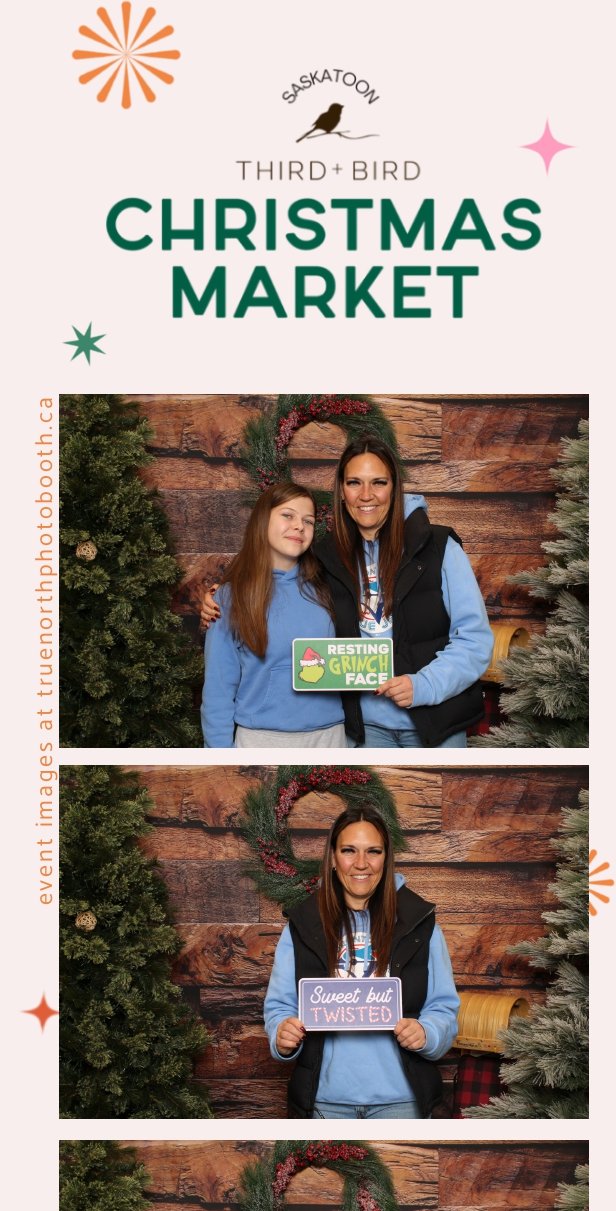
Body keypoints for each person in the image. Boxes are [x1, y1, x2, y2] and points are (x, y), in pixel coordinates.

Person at [201, 436, 493, 749]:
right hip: (363, 732)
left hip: (436, 724)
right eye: (354, 482)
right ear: (342, 491)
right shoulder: (327, 557)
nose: (366, 495)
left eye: (379, 482)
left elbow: (475, 640)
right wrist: (220, 597)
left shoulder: (438, 547)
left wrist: (423, 686)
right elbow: (271, 575)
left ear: (395, 487)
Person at [264, 803, 459, 1118]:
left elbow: (443, 1007)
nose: (361, 863)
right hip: (324, 1104)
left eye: (373, 851)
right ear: (333, 857)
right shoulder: (303, 923)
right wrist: (281, 1034)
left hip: (400, 1103)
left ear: (386, 858)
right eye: (349, 850)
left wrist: (428, 1033)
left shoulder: (419, 922)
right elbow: (280, 1008)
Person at [199, 481, 346, 748]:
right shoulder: (229, 598)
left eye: (308, 521)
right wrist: (220, 760)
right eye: (288, 515)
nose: (299, 526)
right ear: (262, 520)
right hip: (261, 739)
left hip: (330, 737)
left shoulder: (329, 588)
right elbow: (218, 692)